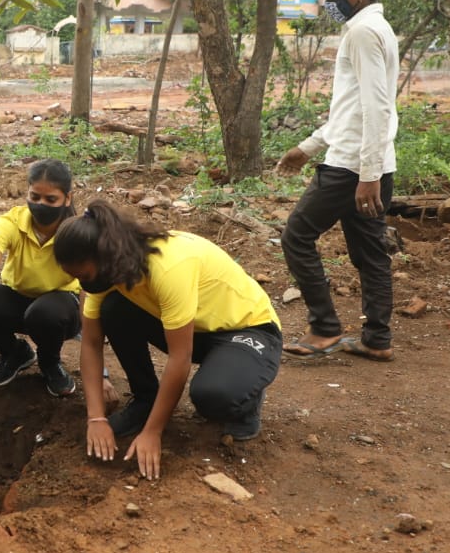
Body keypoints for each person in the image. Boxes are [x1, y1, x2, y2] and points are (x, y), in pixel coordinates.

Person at [54, 200, 282, 481]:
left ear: (106, 256)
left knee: (213, 395)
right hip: (196, 329)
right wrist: (96, 418)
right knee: (113, 308)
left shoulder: (169, 267)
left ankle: (245, 405)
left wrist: (153, 432)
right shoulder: (108, 270)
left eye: (83, 275)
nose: (81, 283)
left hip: (248, 330)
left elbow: (179, 358)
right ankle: (145, 399)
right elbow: (90, 343)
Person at [276, 0, 399, 363]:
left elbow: (377, 107)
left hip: (352, 166)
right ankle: (376, 338)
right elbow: (352, 108)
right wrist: (309, 146)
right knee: (370, 252)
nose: (328, 3)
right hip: (369, 161)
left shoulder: (363, 33)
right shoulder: (377, 28)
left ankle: (325, 328)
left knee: (297, 235)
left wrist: (366, 173)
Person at [0, 159, 85, 397]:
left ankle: (50, 362)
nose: (41, 204)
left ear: (67, 199)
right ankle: (15, 352)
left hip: (60, 308)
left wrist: (90, 327)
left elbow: (90, 285)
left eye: (51, 199)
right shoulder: (10, 222)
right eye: (35, 196)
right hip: (17, 299)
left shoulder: (77, 231)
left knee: (44, 313)